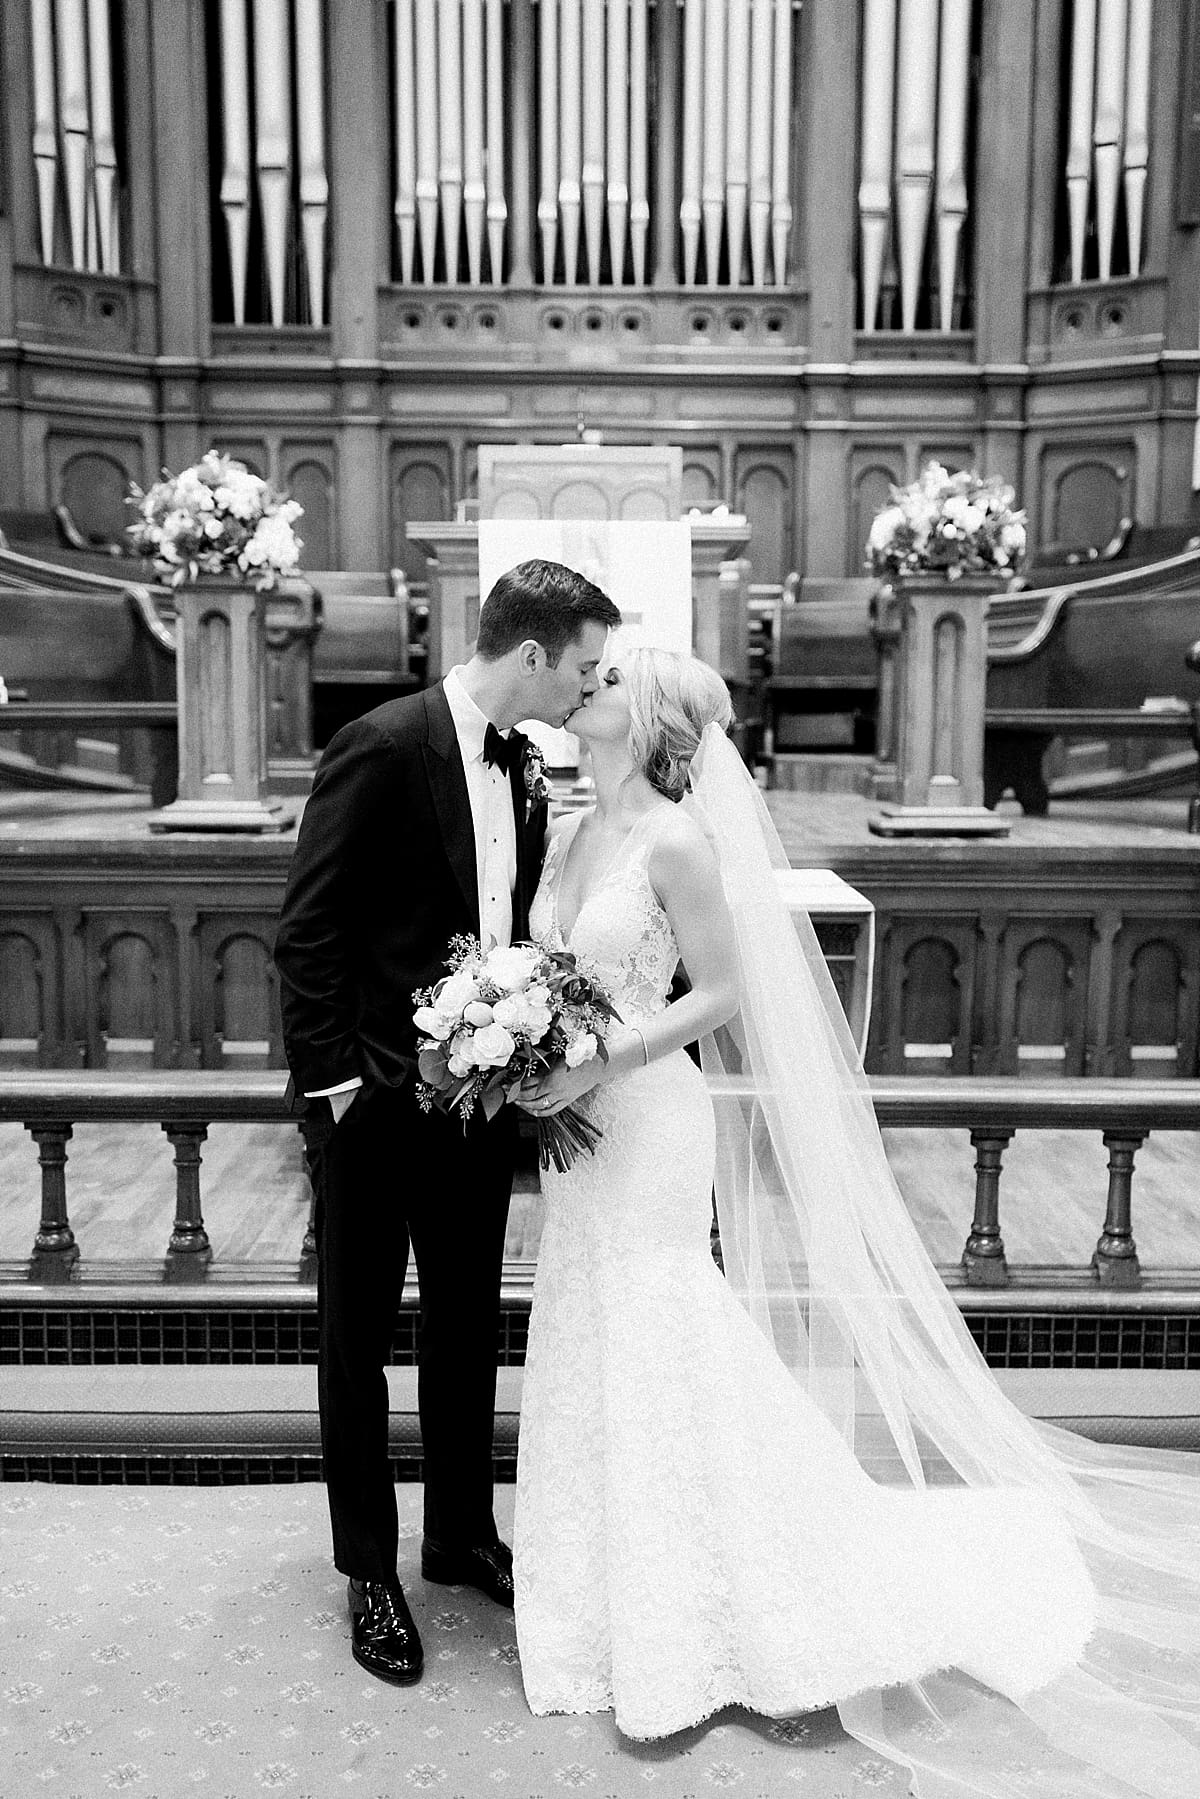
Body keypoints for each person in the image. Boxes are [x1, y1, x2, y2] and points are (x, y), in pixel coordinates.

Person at [512, 645, 1200, 1796]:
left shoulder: (678, 838)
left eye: (612, 676)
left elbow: (719, 994)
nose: (588, 683)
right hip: (572, 1126)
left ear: (660, 717)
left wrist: (602, 1059)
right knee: (586, 1323)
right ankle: (598, 1596)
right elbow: (546, 960)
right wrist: (525, 1035)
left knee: (662, 1316)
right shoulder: (571, 826)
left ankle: (732, 1590)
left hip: (645, 1116)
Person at [274, 559, 621, 1687]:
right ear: (532, 654)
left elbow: (503, 917)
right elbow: (309, 933)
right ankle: (369, 1567)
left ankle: (461, 1531)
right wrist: (335, 1095)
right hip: (373, 1104)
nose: (586, 688)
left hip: (477, 1106)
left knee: (468, 1321)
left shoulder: (522, 760)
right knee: (356, 1340)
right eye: (580, 667)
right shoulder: (381, 744)